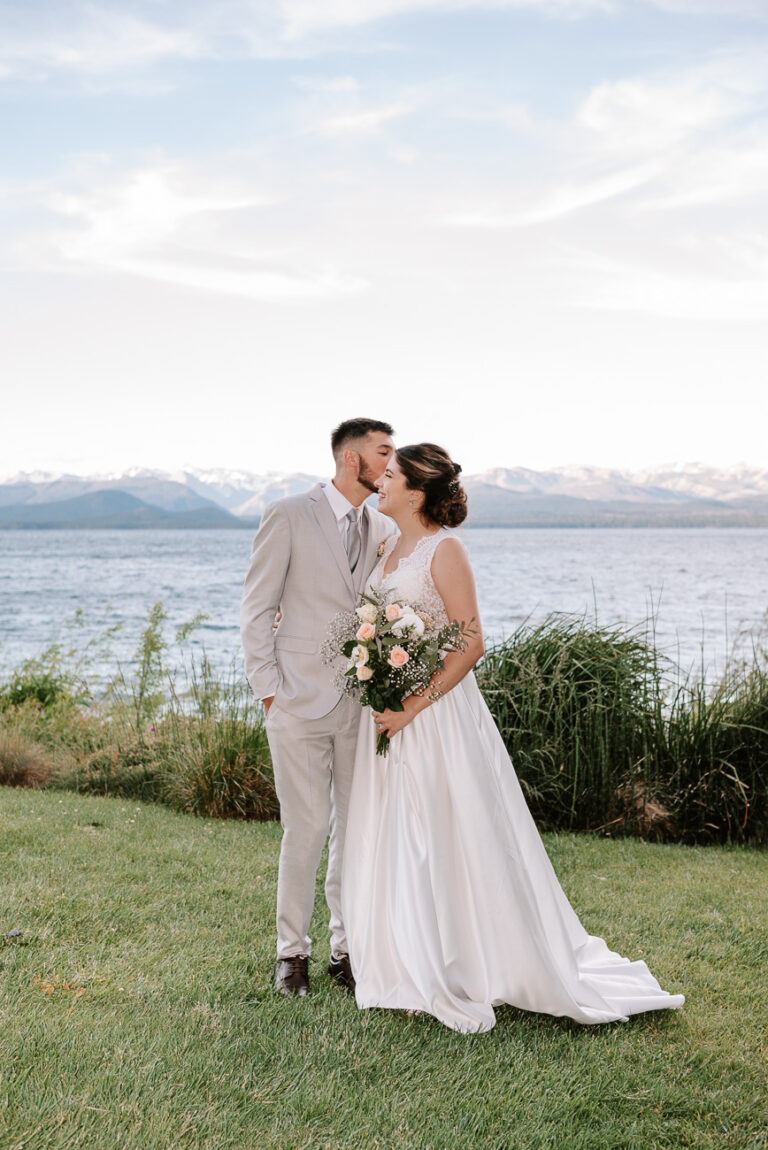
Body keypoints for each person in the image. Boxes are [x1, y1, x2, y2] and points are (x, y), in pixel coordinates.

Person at [341, 443, 685, 1033]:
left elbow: (470, 643)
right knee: (397, 830)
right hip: (391, 714)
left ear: (417, 492)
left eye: (391, 475)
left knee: (444, 830)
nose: (381, 480)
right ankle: (405, 958)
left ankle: (455, 964)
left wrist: (412, 706)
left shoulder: (443, 551)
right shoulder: (386, 544)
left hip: (436, 719)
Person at [240, 418, 394, 997]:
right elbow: (257, 608)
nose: (391, 463)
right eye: (384, 452)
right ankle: (291, 955)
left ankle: (347, 949)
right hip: (297, 699)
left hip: (360, 704)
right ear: (352, 458)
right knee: (305, 828)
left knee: (356, 829)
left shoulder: (383, 525)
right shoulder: (287, 514)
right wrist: (268, 689)